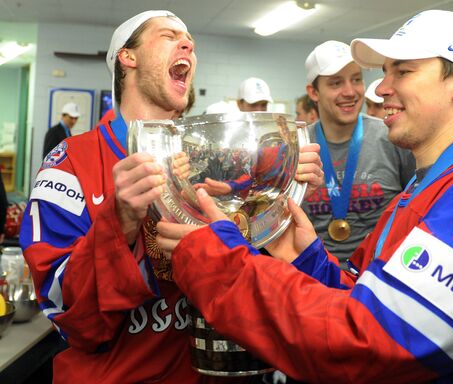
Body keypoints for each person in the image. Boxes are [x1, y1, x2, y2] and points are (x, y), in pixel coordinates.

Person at [156, 10, 453, 383]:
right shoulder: (421, 190)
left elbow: (373, 343)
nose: (381, 87)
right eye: (384, 71)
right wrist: (307, 258)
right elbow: (366, 296)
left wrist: (217, 262)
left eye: (404, 71)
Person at [20, 10, 322, 383]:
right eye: (168, 35)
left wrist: (277, 196)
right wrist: (121, 222)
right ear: (127, 57)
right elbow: (69, 319)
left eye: (190, 41)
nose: (189, 44)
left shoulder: (207, 159)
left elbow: (245, 270)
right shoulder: (70, 163)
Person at [301, 40, 415, 264]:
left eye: (356, 79)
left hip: (377, 275)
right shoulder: (298, 146)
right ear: (313, 92)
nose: (350, 92)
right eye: (336, 83)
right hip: (313, 275)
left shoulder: (392, 137)